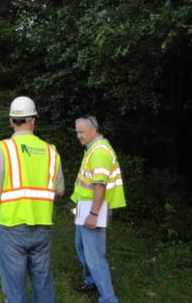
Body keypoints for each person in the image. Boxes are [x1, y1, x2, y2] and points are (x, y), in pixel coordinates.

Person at [0, 96, 64, 303]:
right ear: (33, 120)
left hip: (11, 228)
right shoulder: (51, 151)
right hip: (42, 226)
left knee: (15, 287)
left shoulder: (3, 148)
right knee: (42, 282)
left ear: (11, 121)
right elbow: (59, 191)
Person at [71, 115, 126, 303]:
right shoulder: (92, 149)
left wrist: (94, 214)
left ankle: (109, 299)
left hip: (93, 210)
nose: (78, 136)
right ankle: (91, 281)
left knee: (95, 257)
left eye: (81, 132)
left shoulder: (100, 151)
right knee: (81, 247)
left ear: (93, 130)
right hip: (84, 208)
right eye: (77, 132)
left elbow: (100, 185)